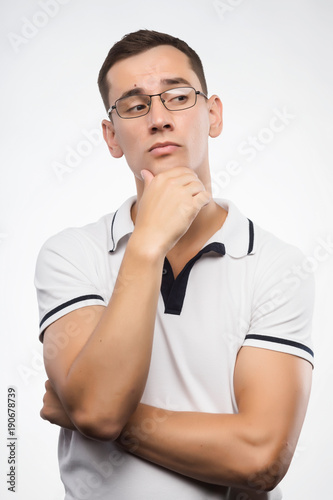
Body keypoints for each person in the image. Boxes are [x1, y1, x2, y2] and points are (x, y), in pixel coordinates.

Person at [35, 29, 314, 500]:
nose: (160, 119)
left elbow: (261, 456)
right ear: (111, 136)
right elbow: (99, 409)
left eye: (179, 97)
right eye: (135, 105)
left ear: (213, 115)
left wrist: (85, 413)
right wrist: (145, 247)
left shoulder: (277, 264)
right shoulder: (71, 254)